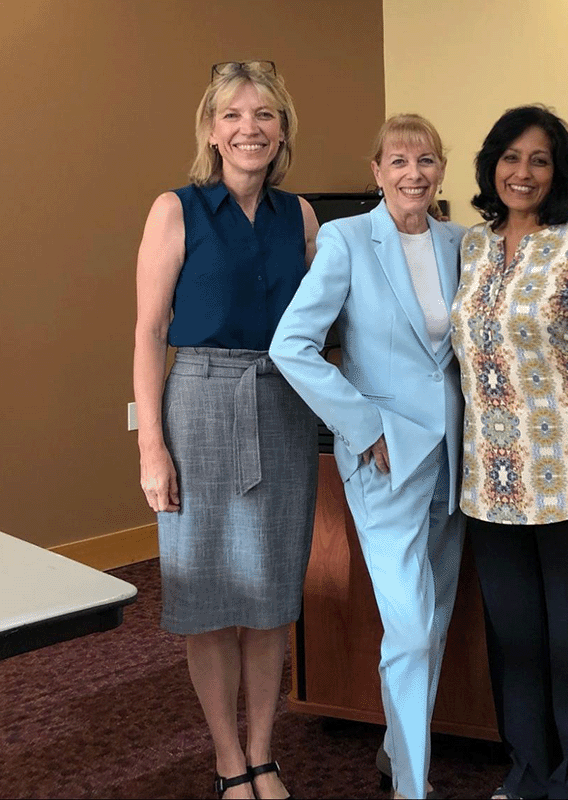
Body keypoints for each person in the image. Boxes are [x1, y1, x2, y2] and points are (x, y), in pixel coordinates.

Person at [133, 61, 319, 800]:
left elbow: (319, 325)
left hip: (282, 403)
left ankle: (264, 752)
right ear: (212, 130)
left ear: (283, 130)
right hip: (200, 401)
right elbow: (149, 334)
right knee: (208, 595)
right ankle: (225, 757)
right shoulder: (175, 210)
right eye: (236, 115)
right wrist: (152, 445)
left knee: (270, 593)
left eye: (266, 114)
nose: (251, 128)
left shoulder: (300, 217)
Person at [269, 114, 465, 800]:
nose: (415, 173)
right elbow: (291, 345)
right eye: (399, 161)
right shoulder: (348, 240)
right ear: (377, 172)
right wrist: (365, 428)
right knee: (410, 626)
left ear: (443, 171)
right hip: (386, 458)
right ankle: (414, 787)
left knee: (432, 619)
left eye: (428, 160)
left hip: (454, 460)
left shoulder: (461, 242)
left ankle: (393, 751)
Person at [450, 105, 568, 800]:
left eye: (538, 159)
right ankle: (529, 772)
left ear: (557, 173)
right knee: (517, 646)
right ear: (491, 164)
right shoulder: (471, 247)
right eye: (510, 156)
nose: (521, 172)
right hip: (491, 483)